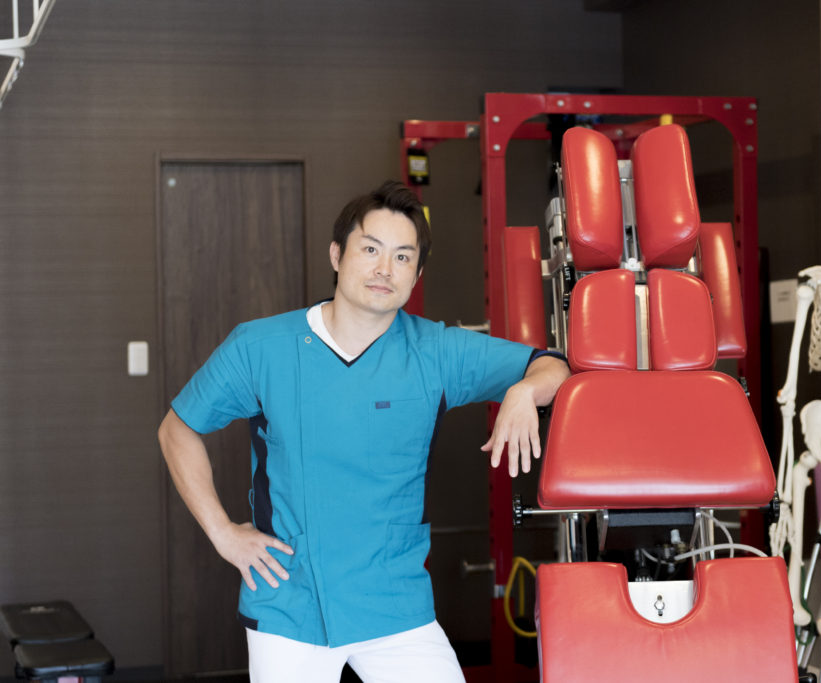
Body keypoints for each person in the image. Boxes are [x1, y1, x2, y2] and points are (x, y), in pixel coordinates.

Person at [157, 180, 570, 683]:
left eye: (402, 257)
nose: (384, 269)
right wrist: (222, 533)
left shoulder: (436, 352)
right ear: (337, 254)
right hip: (292, 604)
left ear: (417, 274)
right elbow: (177, 428)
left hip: (395, 604)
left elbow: (553, 365)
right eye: (370, 249)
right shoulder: (260, 347)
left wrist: (524, 391)